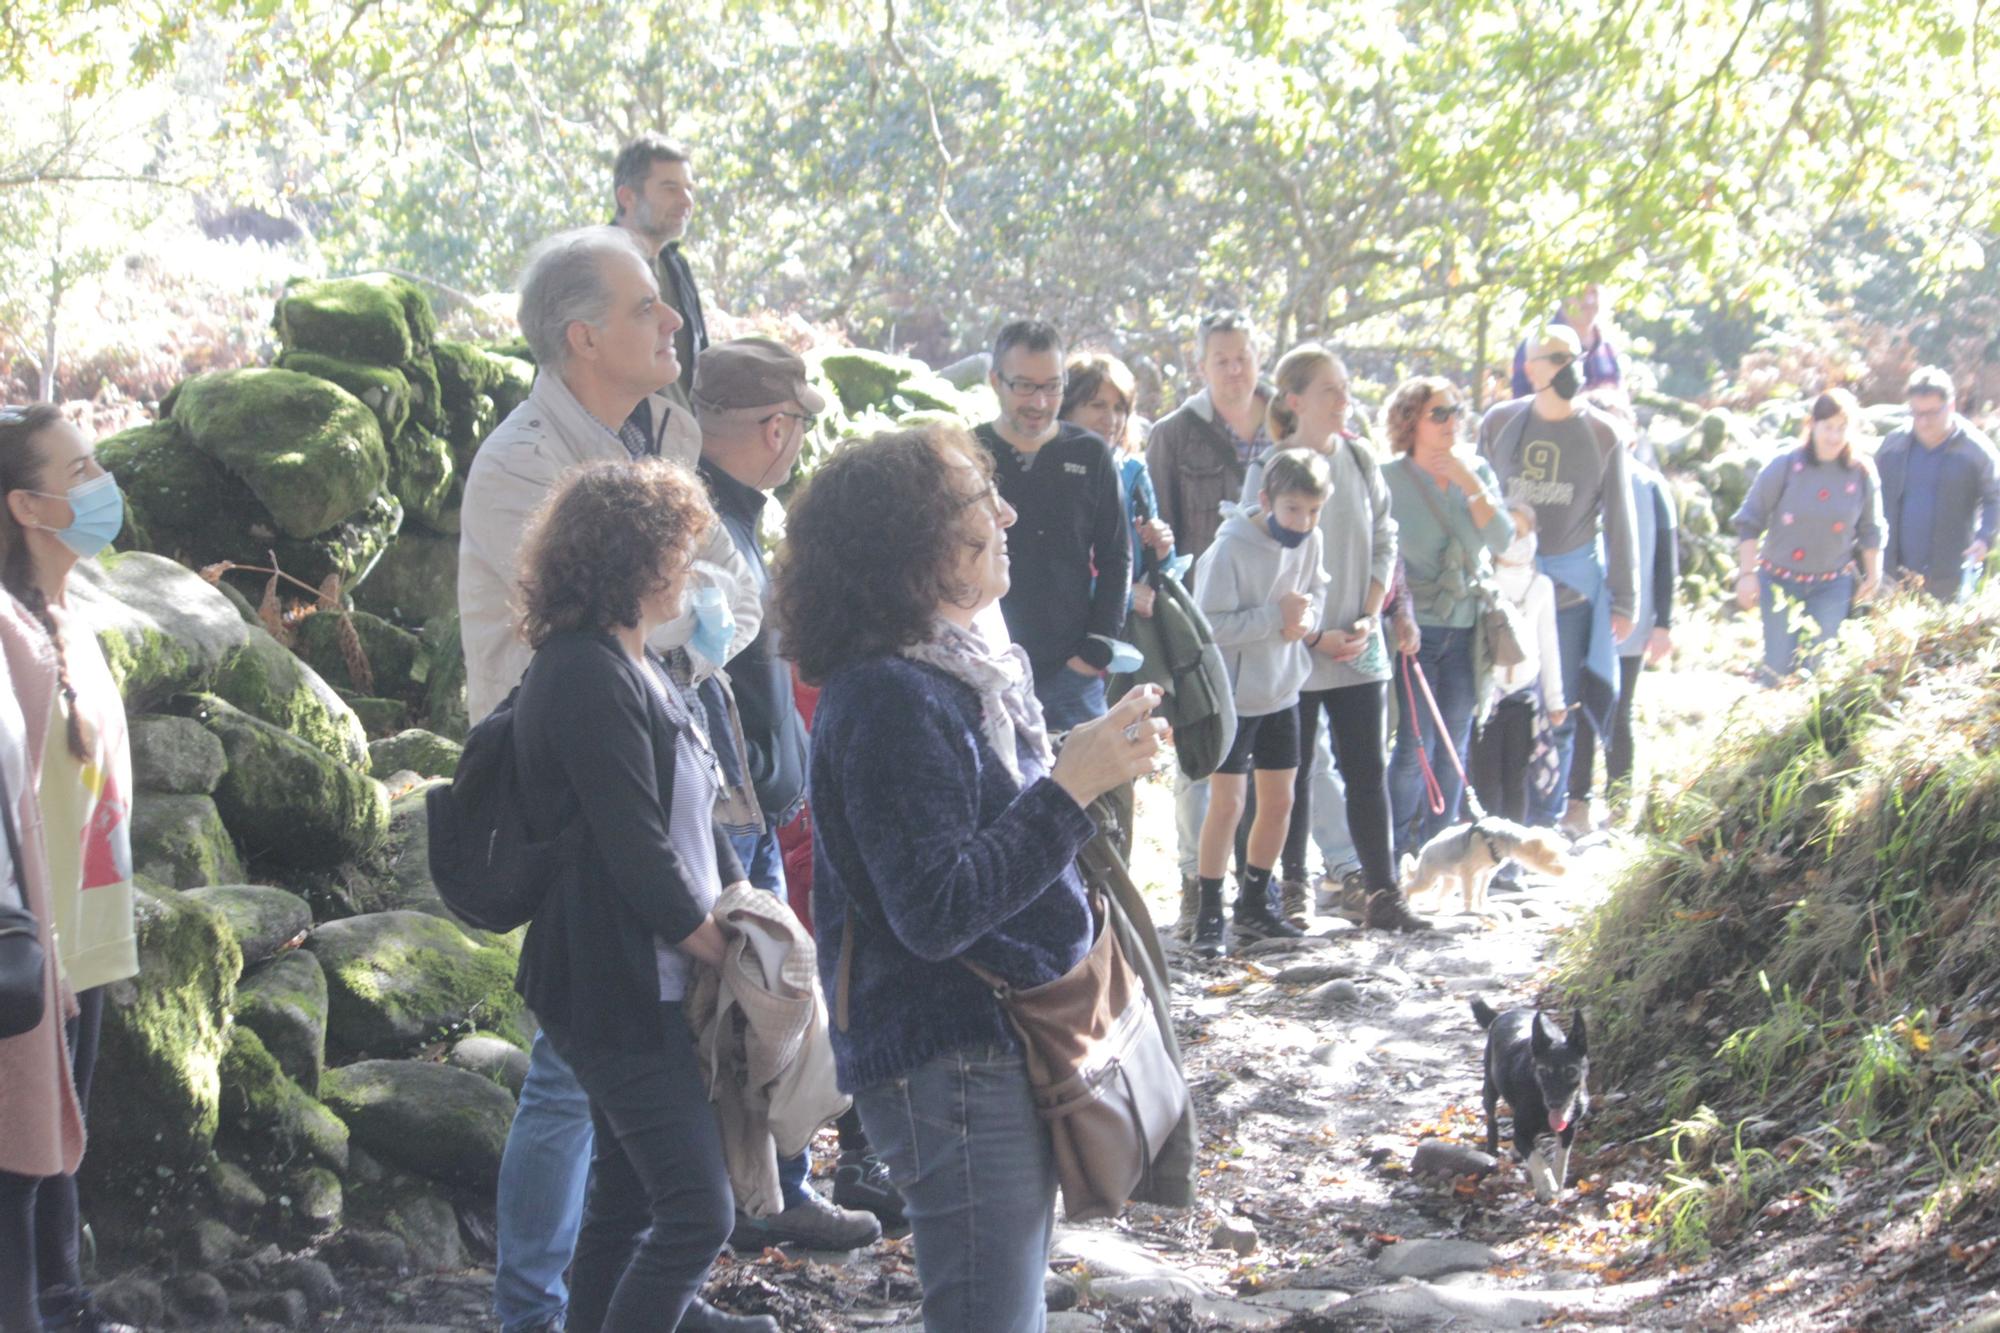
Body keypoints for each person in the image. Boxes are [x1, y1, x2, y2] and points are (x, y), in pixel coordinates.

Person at [775, 425, 1165, 1332]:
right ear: (908, 548)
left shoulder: (951, 672)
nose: (1007, 511)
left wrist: (1080, 772)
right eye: (974, 500)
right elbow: (937, 910)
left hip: (988, 1044)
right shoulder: (888, 694)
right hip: (948, 1055)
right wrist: (1073, 785)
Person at [460, 226, 771, 1333]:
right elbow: (548, 624)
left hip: (663, 777)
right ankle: (529, 1308)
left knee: (639, 1177)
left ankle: (620, 1302)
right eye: (648, 307)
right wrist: (707, 932)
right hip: (582, 842)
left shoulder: (661, 431)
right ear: (582, 333)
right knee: (591, 1105)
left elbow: (737, 592)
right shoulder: (520, 465)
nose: (675, 319)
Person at [507, 459, 772, 1333]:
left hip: (639, 977)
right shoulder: (585, 672)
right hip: (614, 983)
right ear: (627, 561)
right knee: (699, 1209)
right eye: (675, 553)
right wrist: (715, 942)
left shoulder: (637, 664)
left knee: (624, 1201)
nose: (688, 573)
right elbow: (634, 843)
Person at [690, 339, 885, 1250]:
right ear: (776, 428)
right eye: (796, 422)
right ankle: (753, 1201)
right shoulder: (704, 519)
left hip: (756, 795)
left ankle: (772, 1192)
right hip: (734, 807)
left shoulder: (722, 509)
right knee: (754, 1006)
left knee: (769, 1003)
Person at [0, 404, 138, 1333]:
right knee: (24, 1147)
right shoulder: (7, 632)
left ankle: (64, 1303)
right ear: (26, 505)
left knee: (62, 1137)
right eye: (79, 472)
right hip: (29, 952)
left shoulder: (67, 611)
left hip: (85, 940)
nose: (102, 486)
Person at [1240, 345, 1416, 931]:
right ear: (1295, 401)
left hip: (1359, 645)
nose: (1345, 400)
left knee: (1367, 768)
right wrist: (1312, 635)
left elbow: (1387, 540)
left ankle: (1384, 894)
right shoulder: (1270, 467)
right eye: (1331, 391)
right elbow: (1253, 554)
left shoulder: (1362, 460)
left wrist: (1369, 617)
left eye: (1346, 389)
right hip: (1294, 651)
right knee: (1290, 776)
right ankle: (1293, 890)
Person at [1479, 324, 1637, 840]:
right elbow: (1475, 499)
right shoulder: (1500, 423)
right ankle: (1486, 812)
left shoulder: (1602, 434)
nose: (1572, 367)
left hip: (1570, 589)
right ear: (1533, 368)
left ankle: (1550, 814)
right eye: (1558, 358)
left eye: (1576, 357)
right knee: (1495, 700)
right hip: (1503, 586)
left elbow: (1619, 520)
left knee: (1559, 704)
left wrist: (1624, 597)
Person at [1144, 310, 1272, 922]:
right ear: (1201, 366)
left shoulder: (1285, 423)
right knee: (1202, 752)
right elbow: (1157, 532)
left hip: (1275, 620)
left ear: (1258, 357)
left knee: (1271, 761)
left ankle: (1260, 883)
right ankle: (1197, 882)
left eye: (1242, 355)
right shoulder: (1173, 434)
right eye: (1220, 358)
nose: (1233, 368)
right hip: (1198, 621)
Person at [1188, 449, 1329, 956]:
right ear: (1266, 500)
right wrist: (1274, 618)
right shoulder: (1228, 551)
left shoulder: (1311, 540)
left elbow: (1315, 594)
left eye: (1313, 512)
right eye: (1293, 510)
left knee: (1281, 801)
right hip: (1233, 697)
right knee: (1228, 804)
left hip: (1283, 690)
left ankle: (1254, 903)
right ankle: (1208, 911)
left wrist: (1305, 623)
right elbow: (1209, 627)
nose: (1304, 522)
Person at [976, 320, 1131, 730]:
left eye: (1053, 386)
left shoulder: (1091, 453)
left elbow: (1117, 556)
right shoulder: (970, 452)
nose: (1041, 402)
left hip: (1070, 673)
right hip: (986, 669)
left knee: (1096, 791)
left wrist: (1094, 652)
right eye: (1025, 386)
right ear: (995, 381)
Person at [1386, 377, 1515, 862]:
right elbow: (1381, 554)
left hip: (1466, 629)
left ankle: (1437, 854)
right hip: (1413, 629)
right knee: (1411, 749)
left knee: (1453, 745)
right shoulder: (1390, 478)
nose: (1450, 422)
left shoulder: (1475, 471)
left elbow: (1502, 540)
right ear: (1411, 420)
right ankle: (1393, 852)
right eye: (1438, 413)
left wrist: (1470, 484)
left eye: (1456, 411)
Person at [1732, 388, 1884, 679]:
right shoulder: (1785, 466)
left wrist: (1874, 576)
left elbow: (1871, 528)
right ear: (1811, 425)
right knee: (1777, 670)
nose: (1835, 437)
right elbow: (1750, 519)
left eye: (1842, 428)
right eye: (1828, 428)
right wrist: (1747, 574)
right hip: (1779, 582)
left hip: (1832, 585)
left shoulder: (1862, 473)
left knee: (1818, 670)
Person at [1571, 390, 1675, 811]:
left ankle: (1618, 803)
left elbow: (1665, 560)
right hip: (1577, 615)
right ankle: (1575, 800)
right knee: (1578, 710)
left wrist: (1663, 622)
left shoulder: (1650, 487)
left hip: (1629, 619)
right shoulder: (1574, 477)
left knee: (1619, 711)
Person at [1059, 351, 1175, 620]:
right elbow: (1046, 576)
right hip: (1062, 637)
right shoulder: (1048, 470)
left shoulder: (1133, 473)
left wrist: (1162, 550)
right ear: (1067, 408)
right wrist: (1122, 596)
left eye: (1119, 408)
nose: (1111, 420)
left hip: (1124, 642)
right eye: (1098, 405)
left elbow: (1158, 575)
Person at [1470, 503, 1565, 826]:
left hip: (1523, 697)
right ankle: (1484, 856)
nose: (1516, 540)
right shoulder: (1481, 580)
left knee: (1516, 779)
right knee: (1485, 780)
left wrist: (1555, 699)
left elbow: (1548, 643)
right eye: (1508, 531)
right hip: (1486, 698)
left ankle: (1511, 860)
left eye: (1523, 532)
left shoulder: (1541, 586)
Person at [1877, 365, 2000, 602]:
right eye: (1916, 413)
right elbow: (1868, 495)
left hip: (1949, 576)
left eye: (1931, 413)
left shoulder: (1975, 450)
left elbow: (1995, 495)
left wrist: (1985, 537)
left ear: (1950, 406)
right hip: (1893, 577)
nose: (1922, 422)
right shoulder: (1892, 447)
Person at [612, 133, 708, 410]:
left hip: (685, 440)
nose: (687, 200)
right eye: (670, 188)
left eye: (689, 188)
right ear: (627, 196)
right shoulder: (594, 269)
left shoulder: (676, 265)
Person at [1509, 283, 1623, 399]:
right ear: (1562, 296)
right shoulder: (1536, 345)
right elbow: (1521, 407)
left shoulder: (1608, 348)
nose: (1590, 300)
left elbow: (1620, 398)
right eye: (1581, 293)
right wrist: (1593, 400)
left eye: (1594, 292)